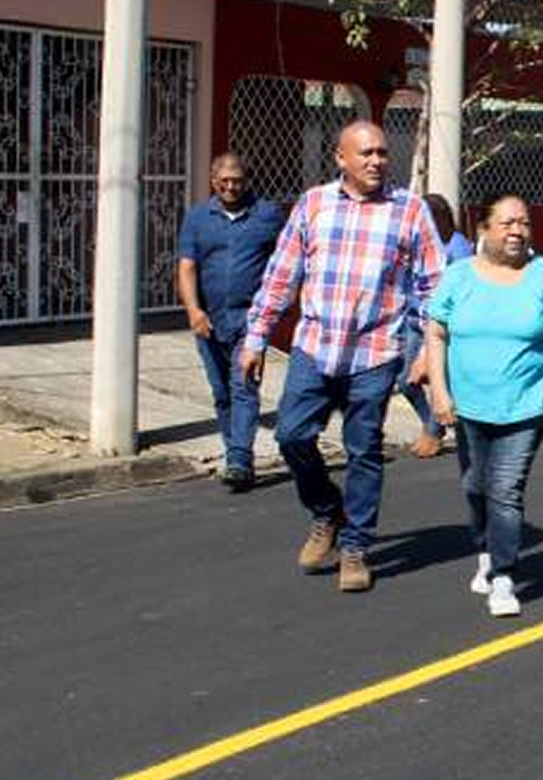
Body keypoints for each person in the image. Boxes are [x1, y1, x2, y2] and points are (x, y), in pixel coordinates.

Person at [240, 120, 444, 593]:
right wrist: (255, 338)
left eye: (381, 153)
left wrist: (429, 350)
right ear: (341, 158)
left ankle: (354, 546)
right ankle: (326, 510)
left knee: (364, 453)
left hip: (375, 352)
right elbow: (280, 277)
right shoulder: (313, 204)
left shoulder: (409, 210)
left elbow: (436, 284)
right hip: (315, 348)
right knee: (291, 435)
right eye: (365, 153)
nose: (376, 161)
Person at [424, 196, 543, 617]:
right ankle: (485, 551)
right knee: (475, 486)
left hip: (525, 405)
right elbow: (436, 333)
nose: (517, 230)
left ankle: (505, 576)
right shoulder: (458, 277)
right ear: (484, 230)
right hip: (469, 406)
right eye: (507, 223)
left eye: (524, 223)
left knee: (506, 489)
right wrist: (439, 390)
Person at [175, 152, 285, 493]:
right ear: (213, 181)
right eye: (224, 181)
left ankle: (240, 458)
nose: (231, 186)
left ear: (245, 180)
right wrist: (194, 310)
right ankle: (232, 451)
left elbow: (286, 259)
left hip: (250, 320)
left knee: (244, 386)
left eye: (237, 180)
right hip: (208, 320)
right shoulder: (197, 218)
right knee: (221, 392)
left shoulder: (266, 215)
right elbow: (187, 267)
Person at [398, 193, 477, 460]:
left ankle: (433, 433)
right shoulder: (417, 242)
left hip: (442, 325)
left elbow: (462, 289)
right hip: (413, 319)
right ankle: (437, 423)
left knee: (439, 379)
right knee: (405, 381)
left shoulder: (458, 247)